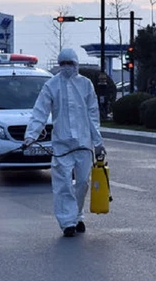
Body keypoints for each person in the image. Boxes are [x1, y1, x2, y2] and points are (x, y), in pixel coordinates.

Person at [24, 48, 105, 237]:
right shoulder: (51, 86)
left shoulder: (86, 85)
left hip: (83, 143)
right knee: (63, 184)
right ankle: (67, 222)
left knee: (83, 182)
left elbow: (93, 114)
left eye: (70, 63)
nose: (67, 67)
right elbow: (40, 112)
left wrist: (98, 142)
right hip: (61, 144)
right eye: (63, 63)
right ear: (59, 65)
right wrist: (31, 135)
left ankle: (77, 215)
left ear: (76, 64)